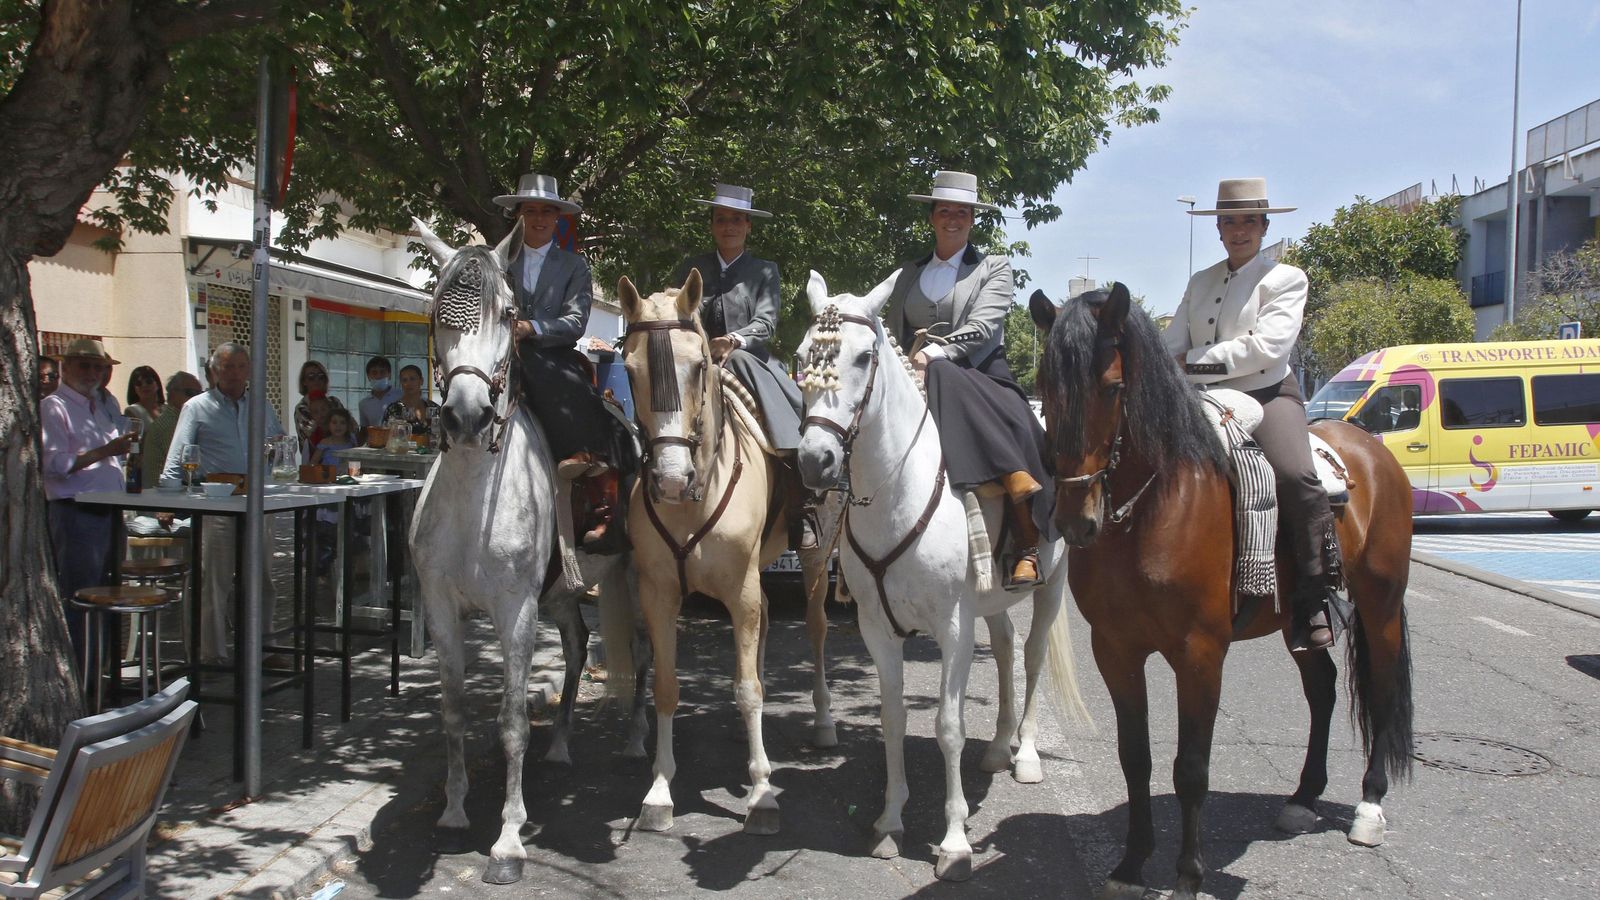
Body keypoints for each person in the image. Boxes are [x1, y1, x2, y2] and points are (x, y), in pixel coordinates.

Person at [1162, 177, 1334, 652]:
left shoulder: (1286, 278)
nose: (1239, 230)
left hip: (1267, 395)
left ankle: (1313, 596)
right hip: (1201, 398)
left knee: (1296, 475)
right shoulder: (1200, 282)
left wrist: (1194, 360)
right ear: (1218, 228)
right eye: (1230, 221)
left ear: (1263, 226)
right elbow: (1172, 342)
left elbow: (1268, 347)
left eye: (1248, 222)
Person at [881, 170, 1054, 589]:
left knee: (947, 374)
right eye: (944, 211)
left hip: (980, 374)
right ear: (932, 217)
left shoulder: (995, 268)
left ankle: (1025, 540)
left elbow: (983, 326)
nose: (952, 218)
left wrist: (933, 354)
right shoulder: (908, 273)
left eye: (962, 212)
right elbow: (890, 329)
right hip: (912, 373)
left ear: (973, 219)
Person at [493, 173, 633, 551]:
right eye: (531, 210)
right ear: (518, 215)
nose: (539, 218)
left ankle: (592, 470)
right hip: (500, 352)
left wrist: (531, 327)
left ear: (557, 219)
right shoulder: (498, 260)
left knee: (578, 394)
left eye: (547, 212)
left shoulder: (574, 266)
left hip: (551, 353)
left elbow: (574, 322)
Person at [670, 182, 815, 547]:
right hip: (699, 362)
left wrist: (733, 340)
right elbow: (678, 313)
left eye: (737, 220)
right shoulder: (692, 268)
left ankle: (801, 500)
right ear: (712, 225)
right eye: (721, 219)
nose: (729, 226)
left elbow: (766, 322)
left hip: (748, 357)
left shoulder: (764, 270)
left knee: (791, 407)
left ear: (748, 226)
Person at [161, 342, 286, 663]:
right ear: (214, 371)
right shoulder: (197, 407)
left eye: (240, 366)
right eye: (226, 367)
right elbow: (177, 459)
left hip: (258, 502)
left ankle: (262, 648)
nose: (234, 373)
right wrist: (169, 500)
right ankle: (209, 655)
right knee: (213, 582)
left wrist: (277, 461)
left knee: (262, 580)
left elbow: (281, 445)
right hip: (217, 505)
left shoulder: (262, 406)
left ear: (250, 370)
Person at [40, 338, 133, 660]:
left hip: (108, 510)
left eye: (98, 366)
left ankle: (103, 673)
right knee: (81, 597)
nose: (92, 372)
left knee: (109, 594)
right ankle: (80, 677)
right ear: (66, 367)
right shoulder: (55, 406)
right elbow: (53, 464)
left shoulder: (100, 406)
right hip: (76, 512)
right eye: (84, 365)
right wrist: (105, 451)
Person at [142, 371, 203, 490]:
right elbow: (184, 466)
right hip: (160, 500)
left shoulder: (180, 420)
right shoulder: (170, 424)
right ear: (173, 393)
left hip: (168, 495)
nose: (196, 398)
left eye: (199, 394)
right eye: (190, 393)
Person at [293, 360, 345, 457]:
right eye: (311, 377)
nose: (317, 380)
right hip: (316, 462)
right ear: (304, 382)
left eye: (321, 376)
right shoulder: (302, 408)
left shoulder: (335, 402)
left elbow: (349, 428)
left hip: (343, 457)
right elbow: (314, 439)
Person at [382, 364, 441, 435]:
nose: (408, 383)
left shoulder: (434, 408)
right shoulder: (393, 409)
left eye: (412, 379)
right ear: (401, 383)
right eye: (404, 380)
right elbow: (386, 436)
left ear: (421, 381)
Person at [357, 356, 403, 431]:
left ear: (389, 374)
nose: (378, 376)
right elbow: (364, 430)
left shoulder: (401, 395)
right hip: (376, 441)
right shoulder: (363, 404)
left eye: (382, 372)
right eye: (374, 373)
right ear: (368, 376)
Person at [124, 365, 165, 430]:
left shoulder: (167, 409)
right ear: (134, 389)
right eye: (139, 383)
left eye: (149, 381)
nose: (144, 385)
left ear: (157, 384)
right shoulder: (132, 411)